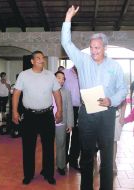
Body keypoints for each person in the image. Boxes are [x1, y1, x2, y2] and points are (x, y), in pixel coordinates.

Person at [61, 6, 127, 190]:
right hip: (87, 113)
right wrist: (67, 19)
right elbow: (66, 43)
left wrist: (111, 100)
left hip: (106, 113)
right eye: (91, 48)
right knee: (87, 154)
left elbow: (123, 89)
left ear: (105, 48)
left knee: (106, 156)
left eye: (97, 48)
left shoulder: (114, 66)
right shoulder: (83, 60)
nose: (93, 51)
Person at [12, 50, 62, 185]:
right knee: (28, 147)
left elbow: (57, 93)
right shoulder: (24, 75)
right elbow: (16, 94)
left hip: (47, 115)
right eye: (38, 58)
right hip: (29, 116)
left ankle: (48, 173)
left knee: (48, 147)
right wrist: (14, 112)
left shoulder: (50, 75)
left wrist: (60, 111)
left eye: (42, 58)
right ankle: (28, 175)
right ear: (32, 61)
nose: (41, 60)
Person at [53, 71, 73, 176]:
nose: (61, 80)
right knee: (47, 146)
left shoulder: (67, 92)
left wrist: (70, 124)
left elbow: (69, 109)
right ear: (54, 78)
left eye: (63, 78)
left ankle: (61, 166)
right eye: (59, 77)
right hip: (48, 123)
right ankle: (47, 166)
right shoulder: (48, 90)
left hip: (61, 123)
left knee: (61, 145)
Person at [63, 66, 81, 170]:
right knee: (65, 135)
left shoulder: (85, 73)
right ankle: (63, 161)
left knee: (77, 136)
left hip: (80, 109)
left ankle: (74, 160)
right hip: (66, 108)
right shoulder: (64, 73)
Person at [113, 100, 126, 175]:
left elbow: (124, 102)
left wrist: (122, 117)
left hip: (117, 115)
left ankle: (113, 163)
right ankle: (104, 163)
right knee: (103, 141)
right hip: (104, 113)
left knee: (114, 140)